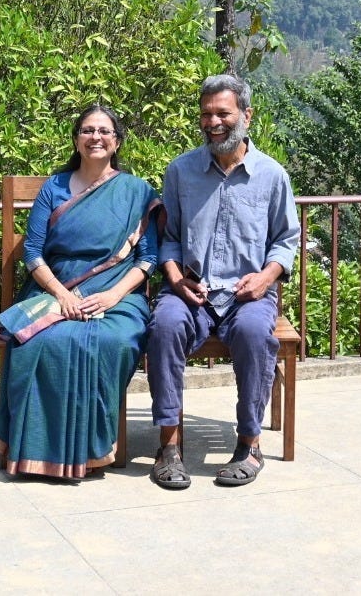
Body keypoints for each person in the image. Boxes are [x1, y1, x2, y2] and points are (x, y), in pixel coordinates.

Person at [146, 74, 300, 489]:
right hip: (191, 288)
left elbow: (287, 240)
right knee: (164, 327)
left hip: (248, 294)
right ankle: (169, 446)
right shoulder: (181, 171)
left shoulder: (272, 175)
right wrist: (176, 281)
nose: (213, 122)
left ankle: (249, 444)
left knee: (253, 333)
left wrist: (266, 279)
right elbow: (171, 238)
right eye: (206, 114)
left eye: (223, 113)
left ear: (246, 115)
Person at [0, 104, 161, 479]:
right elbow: (33, 253)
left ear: (117, 141)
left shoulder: (137, 191)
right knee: (35, 344)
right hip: (55, 290)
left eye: (104, 131)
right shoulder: (53, 188)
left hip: (118, 294)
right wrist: (62, 295)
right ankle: (35, 451)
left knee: (111, 342)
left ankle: (91, 449)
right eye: (87, 130)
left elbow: (148, 258)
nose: (95, 137)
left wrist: (113, 296)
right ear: (76, 139)